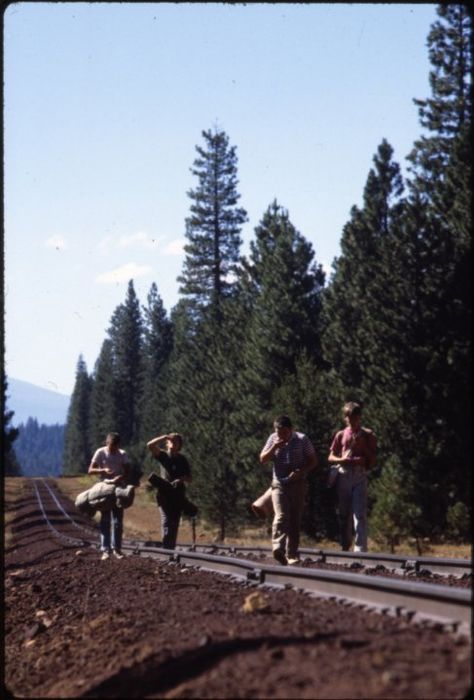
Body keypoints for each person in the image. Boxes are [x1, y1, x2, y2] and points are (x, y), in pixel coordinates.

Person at [260, 415, 317, 566]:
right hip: (279, 484)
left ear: (291, 429)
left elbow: (313, 461)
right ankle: (278, 548)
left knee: (294, 519)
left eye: (284, 433)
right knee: (281, 515)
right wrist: (275, 447)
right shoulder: (273, 439)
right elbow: (263, 459)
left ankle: (292, 554)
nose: (281, 436)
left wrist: (301, 471)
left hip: (297, 483)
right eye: (278, 432)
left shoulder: (302, 439)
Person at [328, 402, 377, 552]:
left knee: (359, 513)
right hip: (344, 474)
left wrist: (364, 447)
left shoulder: (368, 435)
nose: (351, 421)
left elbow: (373, 460)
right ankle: (345, 545)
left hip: (359, 474)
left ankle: (360, 549)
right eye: (349, 417)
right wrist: (341, 460)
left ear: (359, 417)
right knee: (344, 514)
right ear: (345, 418)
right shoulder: (341, 434)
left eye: (354, 417)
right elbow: (330, 457)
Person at [88, 432, 131, 560]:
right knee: (105, 520)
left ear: (118, 445)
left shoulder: (123, 454)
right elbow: (90, 470)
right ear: (107, 443)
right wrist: (103, 471)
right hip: (104, 489)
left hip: (118, 488)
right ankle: (105, 549)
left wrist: (121, 476)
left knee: (118, 521)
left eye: (115, 447)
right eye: (111, 446)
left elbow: (128, 471)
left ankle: (117, 549)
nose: (113, 449)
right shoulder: (100, 452)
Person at [146, 432, 192, 550]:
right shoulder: (163, 455)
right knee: (166, 521)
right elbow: (150, 445)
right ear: (167, 443)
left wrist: (181, 479)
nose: (173, 443)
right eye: (171, 441)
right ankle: (166, 549)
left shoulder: (182, 460)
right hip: (164, 494)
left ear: (179, 445)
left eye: (176, 441)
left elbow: (189, 478)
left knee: (174, 523)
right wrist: (164, 437)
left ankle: (170, 549)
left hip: (178, 495)